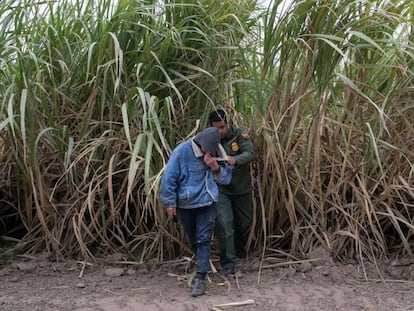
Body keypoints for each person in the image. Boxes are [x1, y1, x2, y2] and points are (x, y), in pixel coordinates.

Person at [159, 127, 232, 297]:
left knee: (203, 239)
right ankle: (201, 264)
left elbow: (226, 179)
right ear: (202, 143)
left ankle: (201, 278)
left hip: (207, 202)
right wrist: (170, 203)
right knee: (194, 239)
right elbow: (168, 178)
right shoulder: (182, 152)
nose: (210, 152)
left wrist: (215, 167)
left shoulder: (217, 151)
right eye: (209, 149)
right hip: (186, 204)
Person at [208, 109, 256, 276]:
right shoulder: (209, 139)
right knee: (224, 222)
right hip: (221, 189)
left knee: (244, 221)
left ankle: (239, 250)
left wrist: (235, 160)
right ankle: (228, 263)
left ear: (228, 124)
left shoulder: (239, 135)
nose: (220, 132)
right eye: (216, 129)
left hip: (241, 188)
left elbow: (250, 153)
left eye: (222, 127)